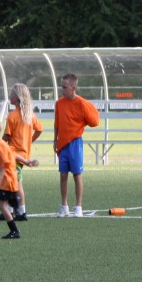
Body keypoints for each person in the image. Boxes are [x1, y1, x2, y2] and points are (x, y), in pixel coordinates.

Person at [53, 73, 99, 217]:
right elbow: (57, 123)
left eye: (65, 87)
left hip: (75, 143)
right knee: (63, 175)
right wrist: (55, 139)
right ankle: (64, 206)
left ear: (73, 88)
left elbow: (94, 122)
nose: (62, 90)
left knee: (77, 175)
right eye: (61, 86)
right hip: (62, 144)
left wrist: (84, 119)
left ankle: (78, 207)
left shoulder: (82, 103)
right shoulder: (59, 103)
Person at [0, 118, 38, 239]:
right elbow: (13, 154)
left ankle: (14, 231)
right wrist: (27, 162)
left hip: (7, 180)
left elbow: (5, 164)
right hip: (5, 180)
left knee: (2, 206)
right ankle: (12, 200)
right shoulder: (0, 143)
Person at [2, 83, 42, 221]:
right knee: (11, 182)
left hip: (13, 154)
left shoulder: (12, 116)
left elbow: (7, 136)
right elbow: (39, 129)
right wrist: (29, 141)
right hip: (23, 154)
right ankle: (9, 211)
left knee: (16, 183)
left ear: (17, 97)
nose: (10, 96)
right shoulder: (30, 115)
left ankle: (21, 212)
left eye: (12, 94)